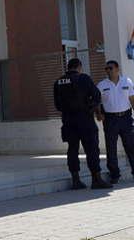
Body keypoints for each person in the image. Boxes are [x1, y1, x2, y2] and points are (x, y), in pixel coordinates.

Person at [53, 58, 111, 189]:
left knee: (72, 149)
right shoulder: (84, 78)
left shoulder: (59, 82)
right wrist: (90, 109)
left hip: (68, 121)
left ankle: (76, 180)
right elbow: (96, 96)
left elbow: (57, 105)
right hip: (85, 120)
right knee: (92, 149)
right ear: (79, 67)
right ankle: (96, 179)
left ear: (68, 67)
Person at [97, 60, 134, 184]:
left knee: (131, 146)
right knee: (111, 148)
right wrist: (99, 113)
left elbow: (132, 99)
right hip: (110, 119)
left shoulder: (127, 81)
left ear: (117, 69)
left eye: (110, 68)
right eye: (106, 68)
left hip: (126, 118)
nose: (108, 70)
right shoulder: (102, 85)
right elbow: (97, 102)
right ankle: (114, 174)